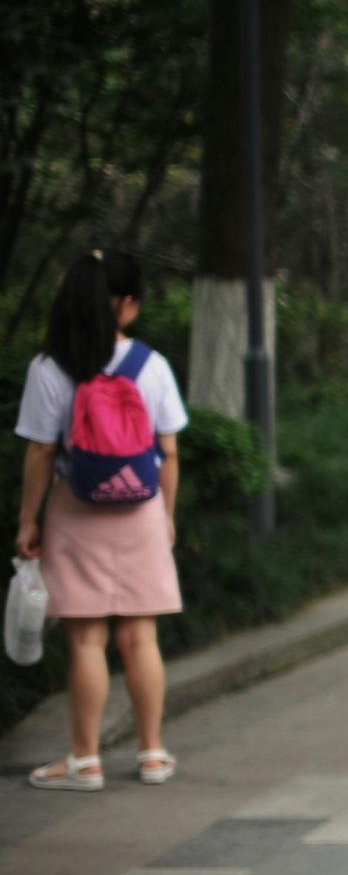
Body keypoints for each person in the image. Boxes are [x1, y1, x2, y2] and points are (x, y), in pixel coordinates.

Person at [14, 251, 188, 792]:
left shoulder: (49, 367)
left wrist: (28, 521)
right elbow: (170, 450)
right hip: (140, 509)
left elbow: (41, 452)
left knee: (87, 641)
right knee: (141, 635)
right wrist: (166, 515)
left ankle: (85, 761)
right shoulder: (151, 365)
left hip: (77, 508)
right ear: (127, 306)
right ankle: (153, 753)